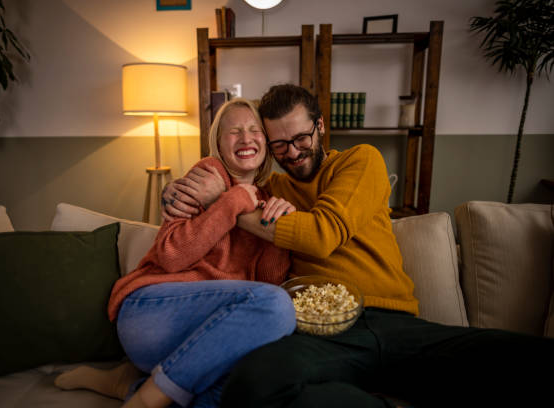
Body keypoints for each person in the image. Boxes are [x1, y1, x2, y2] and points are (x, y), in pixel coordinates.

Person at [161, 84, 554, 407]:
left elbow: (321, 234)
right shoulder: (270, 189)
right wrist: (176, 192)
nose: (293, 153)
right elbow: (218, 188)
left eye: (300, 138)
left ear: (320, 126)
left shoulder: (360, 161)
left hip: (396, 322)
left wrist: (226, 205)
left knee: (527, 358)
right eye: (279, 145)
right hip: (320, 335)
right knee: (252, 382)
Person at [54, 98, 297, 408]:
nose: (246, 138)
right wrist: (232, 200)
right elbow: (172, 255)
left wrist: (277, 231)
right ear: (219, 144)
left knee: (245, 383)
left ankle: (125, 384)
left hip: (204, 332)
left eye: (254, 130)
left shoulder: (267, 199)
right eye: (234, 131)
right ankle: (146, 398)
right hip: (153, 312)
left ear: (266, 140)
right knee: (277, 305)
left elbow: (268, 282)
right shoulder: (207, 175)